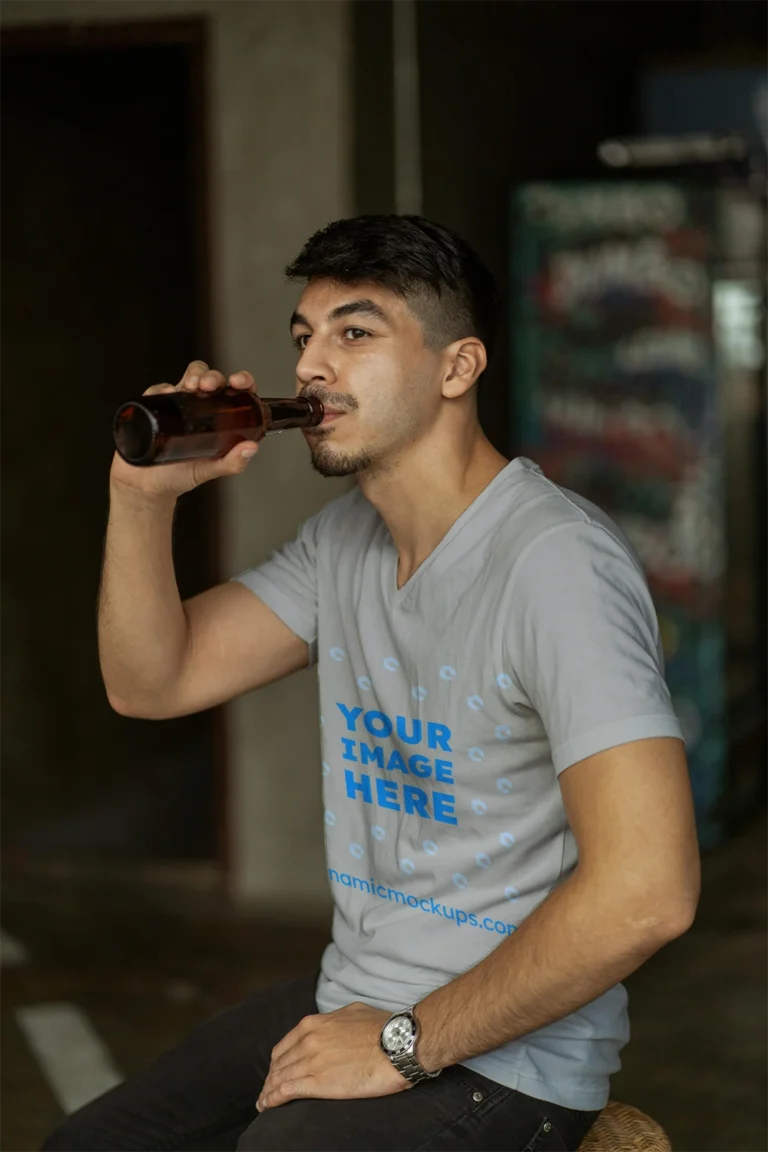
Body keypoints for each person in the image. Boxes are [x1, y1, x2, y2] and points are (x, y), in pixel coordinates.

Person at [48, 215, 700, 1152]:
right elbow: (153, 682)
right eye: (304, 337)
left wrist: (403, 1045)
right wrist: (141, 499)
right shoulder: (341, 544)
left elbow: (649, 891)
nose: (312, 366)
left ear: (457, 367)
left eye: (355, 333)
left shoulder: (556, 568)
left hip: (504, 1061)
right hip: (353, 993)